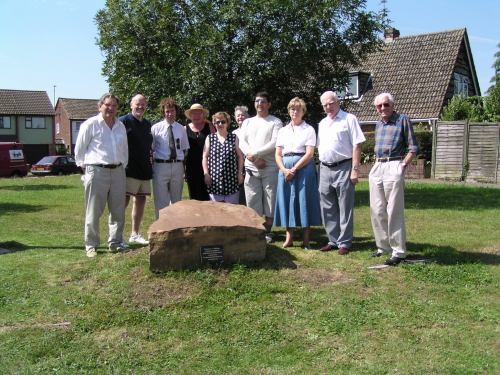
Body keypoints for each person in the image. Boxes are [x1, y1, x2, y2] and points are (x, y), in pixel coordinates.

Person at [74, 94, 128, 258]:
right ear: (100, 106)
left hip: (118, 171)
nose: (110, 108)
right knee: (93, 211)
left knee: (118, 211)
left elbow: (124, 149)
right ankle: (91, 245)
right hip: (96, 171)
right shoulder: (90, 124)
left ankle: (115, 242)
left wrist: (122, 166)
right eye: (107, 105)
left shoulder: (120, 126)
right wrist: (85, 171)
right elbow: (79, 150)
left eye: (113, 106)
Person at [370, 92, 419, 265]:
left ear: (392, 105)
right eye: (379, 106)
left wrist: (403, 165)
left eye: (386, 104)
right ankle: (383, 247)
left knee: (394, 210)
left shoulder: (402, 120)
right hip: (378, 166)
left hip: (394, 164)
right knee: (377, 209)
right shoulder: (378, 124)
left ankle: (398, 251)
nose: (383, 108)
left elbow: (413, 147)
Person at [317, 91, 365, 255]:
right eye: (325, 105)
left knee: (345, 206)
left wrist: (355, 170)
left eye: (331, 103)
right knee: (327, 206)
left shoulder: (349, 119)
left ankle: (345, 242)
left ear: (338, 102)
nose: (328, 107)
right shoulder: (322, 123)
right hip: (324, 168)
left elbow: (357, 145)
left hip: (344, 166)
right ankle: (333, 240)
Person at [274, 97, 321, 249]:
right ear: (289, 111)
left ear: (303, 111)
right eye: (292, 109)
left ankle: (306, 239)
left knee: (304, 199)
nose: (295, 111)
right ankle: (289, 237)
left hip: (304, 168)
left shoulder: (309, 129)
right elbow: (278, 154)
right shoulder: (282, 131)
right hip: (285, 169)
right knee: (287, 200)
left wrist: (294, 169)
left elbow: (309, 153)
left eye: (298, 109)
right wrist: (284, 170)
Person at [238, 91, 283, 242]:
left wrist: (255, 153)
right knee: (252, 200)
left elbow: (275, 142)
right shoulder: (247, 122)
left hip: (269, 167)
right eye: (257, 101)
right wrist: (253, 158)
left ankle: (268, 232)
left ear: (269, 104)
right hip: (251, 167)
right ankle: (256, 230)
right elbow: (242, 142)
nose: (260, 104)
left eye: (263, 101)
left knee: (270, 200)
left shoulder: (275, 122)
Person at [119, 94, 152, 245]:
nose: (140, 106)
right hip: (128, 169)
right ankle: (117, 236)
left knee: (141, 200)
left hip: (144, 169)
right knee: (122, 203)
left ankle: (135, 234)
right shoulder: (123, 121)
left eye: (143, 104)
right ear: (131, 105)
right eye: (137, 103)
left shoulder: (147, 124)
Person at [151, 98, 189, 219]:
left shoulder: (181, 129)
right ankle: (161, 228)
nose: (170, 114)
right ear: (163, 112)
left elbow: (184, 149)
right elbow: (151, 149)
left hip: (177, 165)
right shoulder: (155, 128)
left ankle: (175, 226)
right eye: (167, 111)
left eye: (172, 111)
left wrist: (183, 167)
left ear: (175, 112)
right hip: (160, 166)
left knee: (176, 199)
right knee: (161, 200)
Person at [202, 111, 244, 203]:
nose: (220, 124)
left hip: (231, 180)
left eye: (223, 122)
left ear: (227, 123)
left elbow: (240, 157)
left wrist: (240, 173)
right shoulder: (210, 138)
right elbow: (204, 157)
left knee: (232, 212)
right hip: (214, 181)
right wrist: (206, 174)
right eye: (217, 122)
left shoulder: (234, 137)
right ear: (214, 124)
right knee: (216, 213)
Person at [184, 103, 214, 201]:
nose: (196, 116)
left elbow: (216, 143)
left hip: (208, 166)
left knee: (207, 195)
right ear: (190, 115)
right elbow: (182, 151)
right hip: (191, 166)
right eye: (194, 113)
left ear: (203, 115)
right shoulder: (184, 129)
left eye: (199, 113)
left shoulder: (209, 126)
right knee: (193, 195)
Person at [233, 105, 249, 205]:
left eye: (242, 115)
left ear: (247, 116)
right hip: (237, 167)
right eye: (238, 115)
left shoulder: (251, 130)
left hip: (251, 165)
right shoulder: (234, 133)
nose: (240, 117)